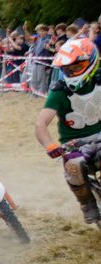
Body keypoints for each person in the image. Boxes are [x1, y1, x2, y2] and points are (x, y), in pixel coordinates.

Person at [34, 38, 101, 223]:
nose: (71, 73)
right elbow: (41, 124)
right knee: (73, 165)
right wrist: (49, 145)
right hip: (74, 143)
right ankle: (87, 203)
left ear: (92, 62)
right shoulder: (60, 91)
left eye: (75, 68)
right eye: (66, 70)